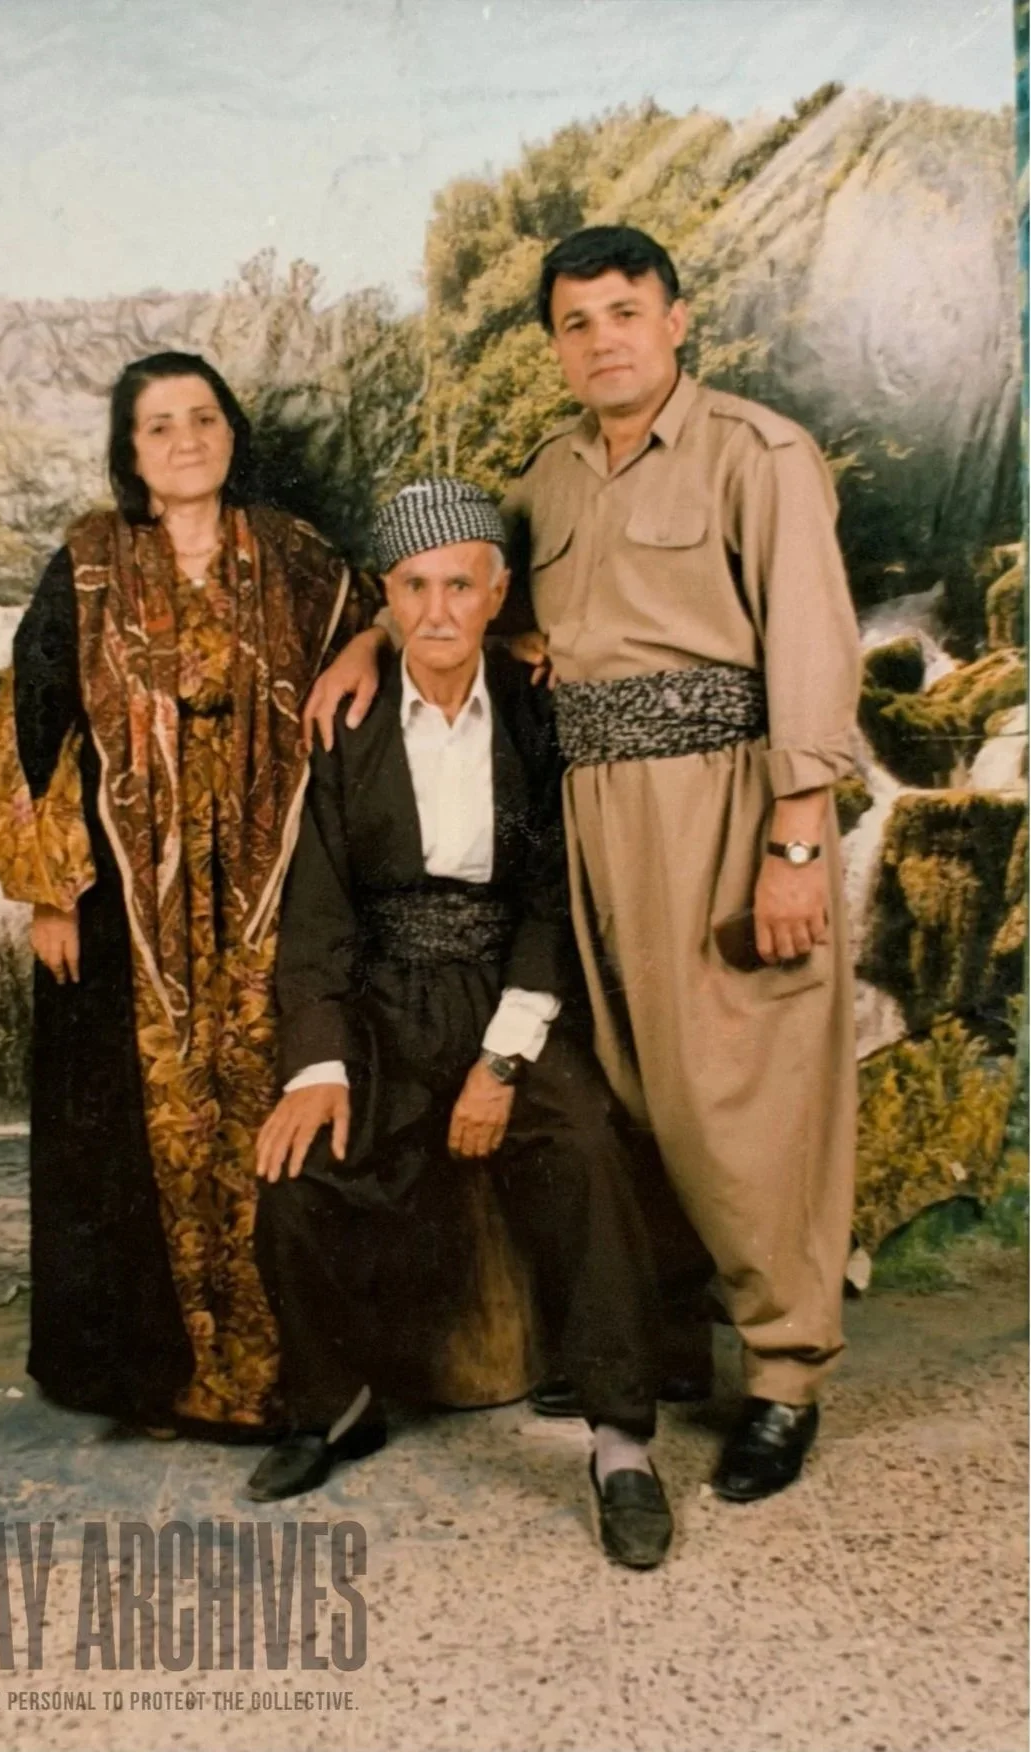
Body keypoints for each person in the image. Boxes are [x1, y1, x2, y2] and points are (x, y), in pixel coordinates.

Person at [304, 227, 861, 1504]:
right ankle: (663, 1347)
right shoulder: (550, 477)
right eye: (575, 322)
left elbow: (811, 648)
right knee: (624, 1086)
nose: (602, 339)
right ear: (555, 345)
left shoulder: (756, 453)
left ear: (675, 320)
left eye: (623, 311)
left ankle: (784, 1376)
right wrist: (367, 645)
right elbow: (459, 593)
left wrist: (792, 842)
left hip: (720, 802)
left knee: (742, 1092)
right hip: (587, 813)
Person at [248, 478, 673, 1569]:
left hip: (509, 988)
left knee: (588, 1148)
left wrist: (500, 1062)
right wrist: (318, 1066)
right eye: (413, 588)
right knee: (298, 1172)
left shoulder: (535, 712)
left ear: (497, 593)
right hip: (387, 995)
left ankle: (621, 1445)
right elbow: (318, 913)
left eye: (458, 586)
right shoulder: (347, 722)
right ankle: (333, 1407)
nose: (436, 611)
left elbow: (550, 900)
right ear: (385, 599)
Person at [0, 351, 379, 1433]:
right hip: (123, 902)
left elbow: (396, 622)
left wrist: (376, 644)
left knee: (274, 1100)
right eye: (159, 425)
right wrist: (48, 889)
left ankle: (294, 1372)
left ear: (232, 432)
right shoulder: (89, 560)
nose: (186, 439)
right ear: (130, 451)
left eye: (203, 417)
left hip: (274, 883)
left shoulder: (297, 557)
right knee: (133, 1129)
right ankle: (156, 1377)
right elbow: (31, 722)